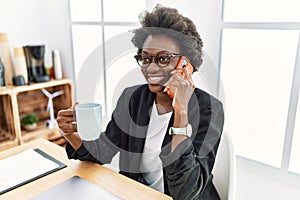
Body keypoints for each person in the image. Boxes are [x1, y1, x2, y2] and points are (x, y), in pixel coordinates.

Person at [57, 5, 224, 200]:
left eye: (163, 59)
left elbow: (186, 191)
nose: (151, 68)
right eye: (145, 59)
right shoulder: (133, 98)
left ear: (185, 64)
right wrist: (71, 134)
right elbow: (102, 152)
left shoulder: (209, 109)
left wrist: (181, 112)